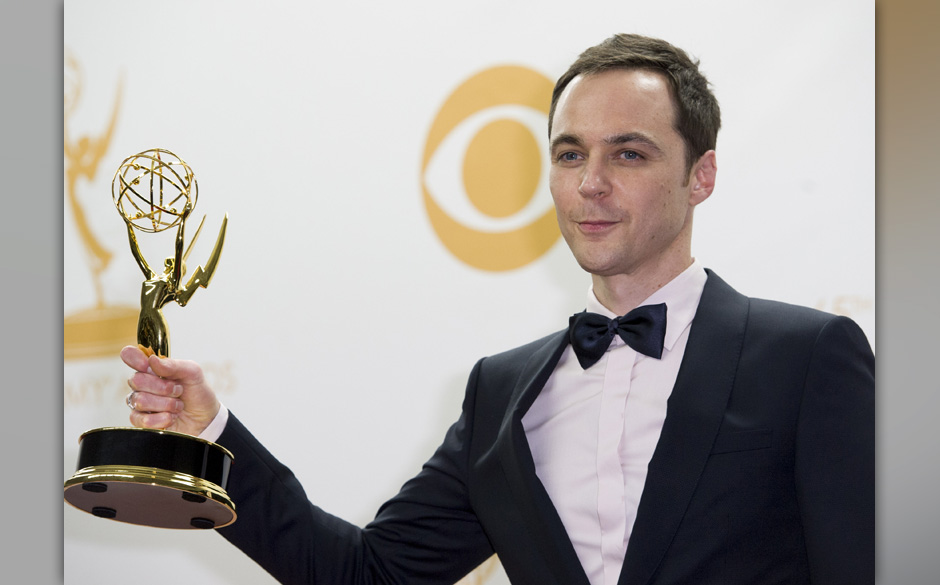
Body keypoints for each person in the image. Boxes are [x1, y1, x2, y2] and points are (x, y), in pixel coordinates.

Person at [121, 34, 874, 585]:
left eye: (629, 153)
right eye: (570, 154)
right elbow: (368, 574)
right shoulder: (502, 394)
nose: (591, 183)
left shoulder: (808, 357)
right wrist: (211, 435)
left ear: (701, 175)